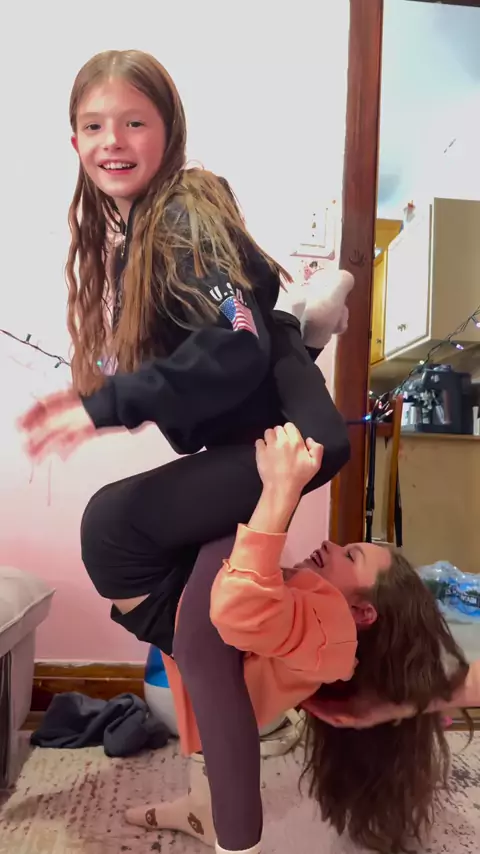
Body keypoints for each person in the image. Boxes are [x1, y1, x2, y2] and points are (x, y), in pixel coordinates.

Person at [16, 49, 352, 853]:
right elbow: (227, 338)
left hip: (282, 442)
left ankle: (299, 671)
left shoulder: (178, 217)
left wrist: (104, 405)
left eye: (135, 122)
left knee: (114, 525)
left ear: (168, 131)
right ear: (73, 141)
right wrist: (112, 383)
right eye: (94, 125)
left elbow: (234, 346)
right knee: (203, 638)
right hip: (263, 432)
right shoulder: (144, 231)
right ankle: (220, 807)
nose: (113, 140)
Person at [124, 424, 478, 854]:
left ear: (363, 612)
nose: (330, 544)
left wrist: (281, 493)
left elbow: (237, 608)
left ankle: (220, 822)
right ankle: (202, 806)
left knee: (245, 513)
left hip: (181, 680)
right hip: (188, 689)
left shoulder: (329, 633)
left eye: (351, 555)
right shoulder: (323, 635)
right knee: (244, 516)